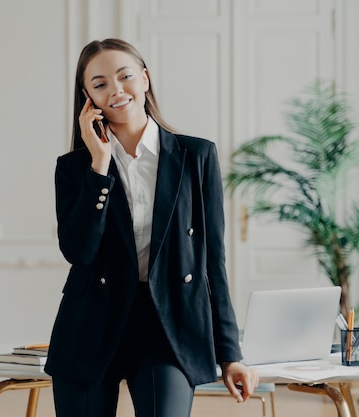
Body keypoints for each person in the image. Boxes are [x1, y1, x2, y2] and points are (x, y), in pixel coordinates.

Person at [44, 38, 259, 417]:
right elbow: (79, 252)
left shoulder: (197, 156)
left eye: (125, 76)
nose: (115, 90)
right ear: (87, 97)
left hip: (167, 327)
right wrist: (99, 164)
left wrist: (230, 355)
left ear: (144, 79)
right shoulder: (75, 168)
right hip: (91, 324)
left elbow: (212, 264)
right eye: (100, 84)